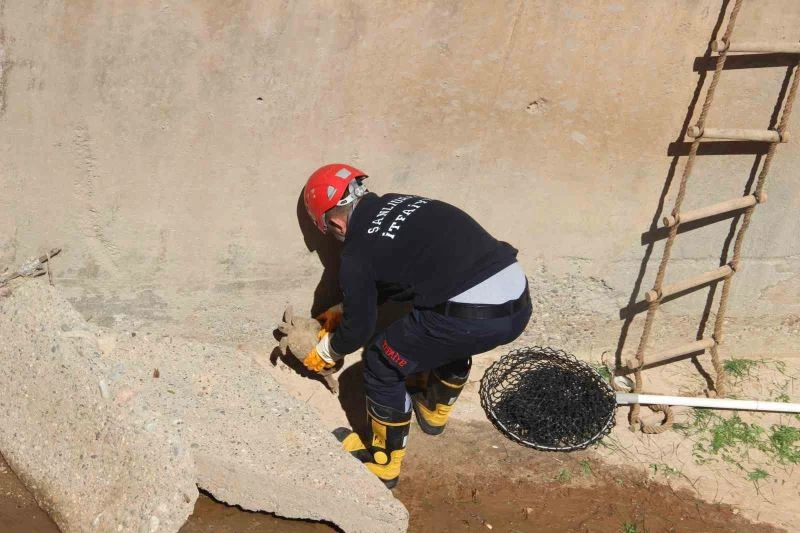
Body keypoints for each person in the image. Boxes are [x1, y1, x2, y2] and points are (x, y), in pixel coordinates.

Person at [302, 163, 532, 488]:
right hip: (517, 300)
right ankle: (434, 410)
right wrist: (346, 307)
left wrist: (329, 349)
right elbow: (397, 277)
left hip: (472, 318)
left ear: (336, 222)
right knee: (442, 329)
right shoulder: (402, 203)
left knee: (381, 362)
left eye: (327, 230)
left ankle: (384, 465)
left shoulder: (356, 255)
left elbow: (359, 330)